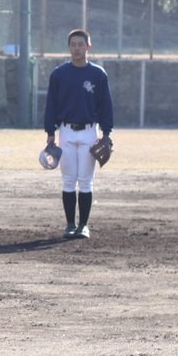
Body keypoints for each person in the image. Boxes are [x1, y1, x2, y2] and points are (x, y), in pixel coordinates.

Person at [42, 28, 114, 239]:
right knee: (68, 180)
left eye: (80, 44)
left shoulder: (98, 74)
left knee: (85, 181)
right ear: (69, 47)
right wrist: (50, 132)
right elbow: (51, 105)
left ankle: (83, 225)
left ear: (88, 47)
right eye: (73, 45)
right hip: (65, 131)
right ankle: (70, 224)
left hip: (90, 132)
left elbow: (105, 106)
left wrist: (107, 133)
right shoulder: (59, 74)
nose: (76, 48)